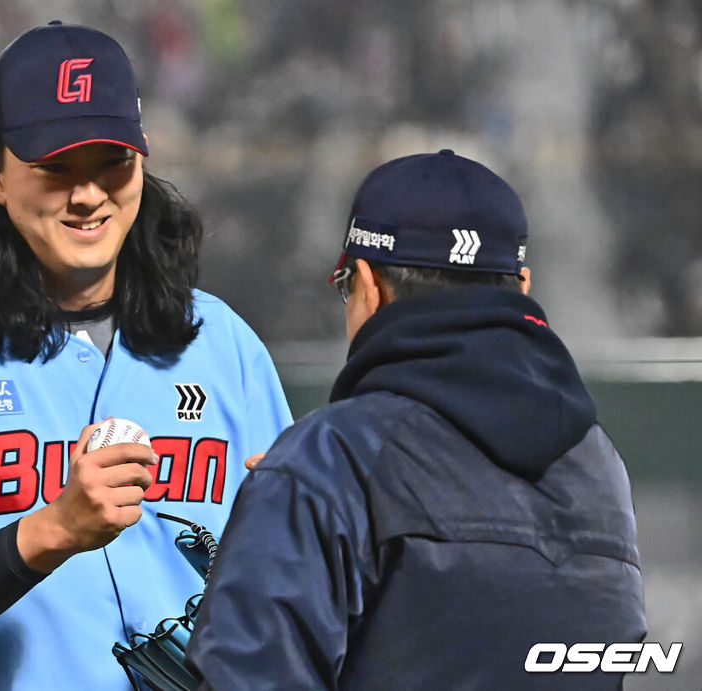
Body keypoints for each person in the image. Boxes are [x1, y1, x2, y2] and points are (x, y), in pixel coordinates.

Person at [0, 22, 292, 690]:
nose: (88, 194)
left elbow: (283, 586)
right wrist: (55, 527)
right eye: (56, 167)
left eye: (112, 163)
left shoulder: (224, 345)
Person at [187, 150, 647, 689]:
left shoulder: (331, 461)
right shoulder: (600, 466)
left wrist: (294, 489)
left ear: (367, 284)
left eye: (345, 288)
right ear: (521, 286)